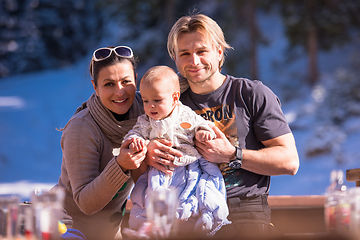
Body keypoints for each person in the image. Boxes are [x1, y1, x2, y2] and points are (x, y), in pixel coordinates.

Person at [146, 13, 300, 238]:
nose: (194, 61)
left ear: (219, 52)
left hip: (244, 213)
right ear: (175, 57)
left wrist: (231, 154)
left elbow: (289, 162)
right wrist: (150, 152)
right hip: (186, 215)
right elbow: (118, 103)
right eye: (185, 54)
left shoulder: (251, 94)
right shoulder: (165, 100)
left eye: (201, 51)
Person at [123, 66, 230, 236]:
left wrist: (203, 132)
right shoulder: (145, 121)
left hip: (187, 164)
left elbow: (201, 123)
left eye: (157, 100)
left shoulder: (185, 114)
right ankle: (151, 227)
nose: (151, 106)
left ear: (174, 98)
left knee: (196, 191)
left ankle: (200, 219)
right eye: (145, 101)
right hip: (161, 168)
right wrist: (136, 141)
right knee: (151, 194)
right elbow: (134, 133)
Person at [55, 46, 147, 240]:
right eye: (109, 84)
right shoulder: (82, 128)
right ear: (95, 87)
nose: (119, 91)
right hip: (67, 230)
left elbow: (175, 85)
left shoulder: (147, 110)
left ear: (136, 80)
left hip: (110, 232)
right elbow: (86, 203)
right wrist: (120, 166)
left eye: (126, 81)